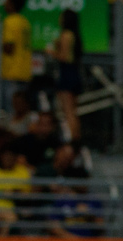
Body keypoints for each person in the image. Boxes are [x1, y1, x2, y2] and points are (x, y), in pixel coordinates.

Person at [48, 9, 84, 142]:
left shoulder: (66, 35)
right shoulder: (74, 34)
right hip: (74, 73)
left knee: (68, 112)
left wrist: (52, 52)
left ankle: (73, 142)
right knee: (73, 112)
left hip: (67, 74)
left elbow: (64, 57)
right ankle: (76, 139)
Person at [0, 0, 32, 113]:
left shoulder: (10, 21)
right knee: (21, 111)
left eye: (6, 2)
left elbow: (9, 48)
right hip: (24, 72)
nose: (4, 4)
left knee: (11, 111)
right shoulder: (25, 22)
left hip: (11, 72)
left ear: (11, 4)